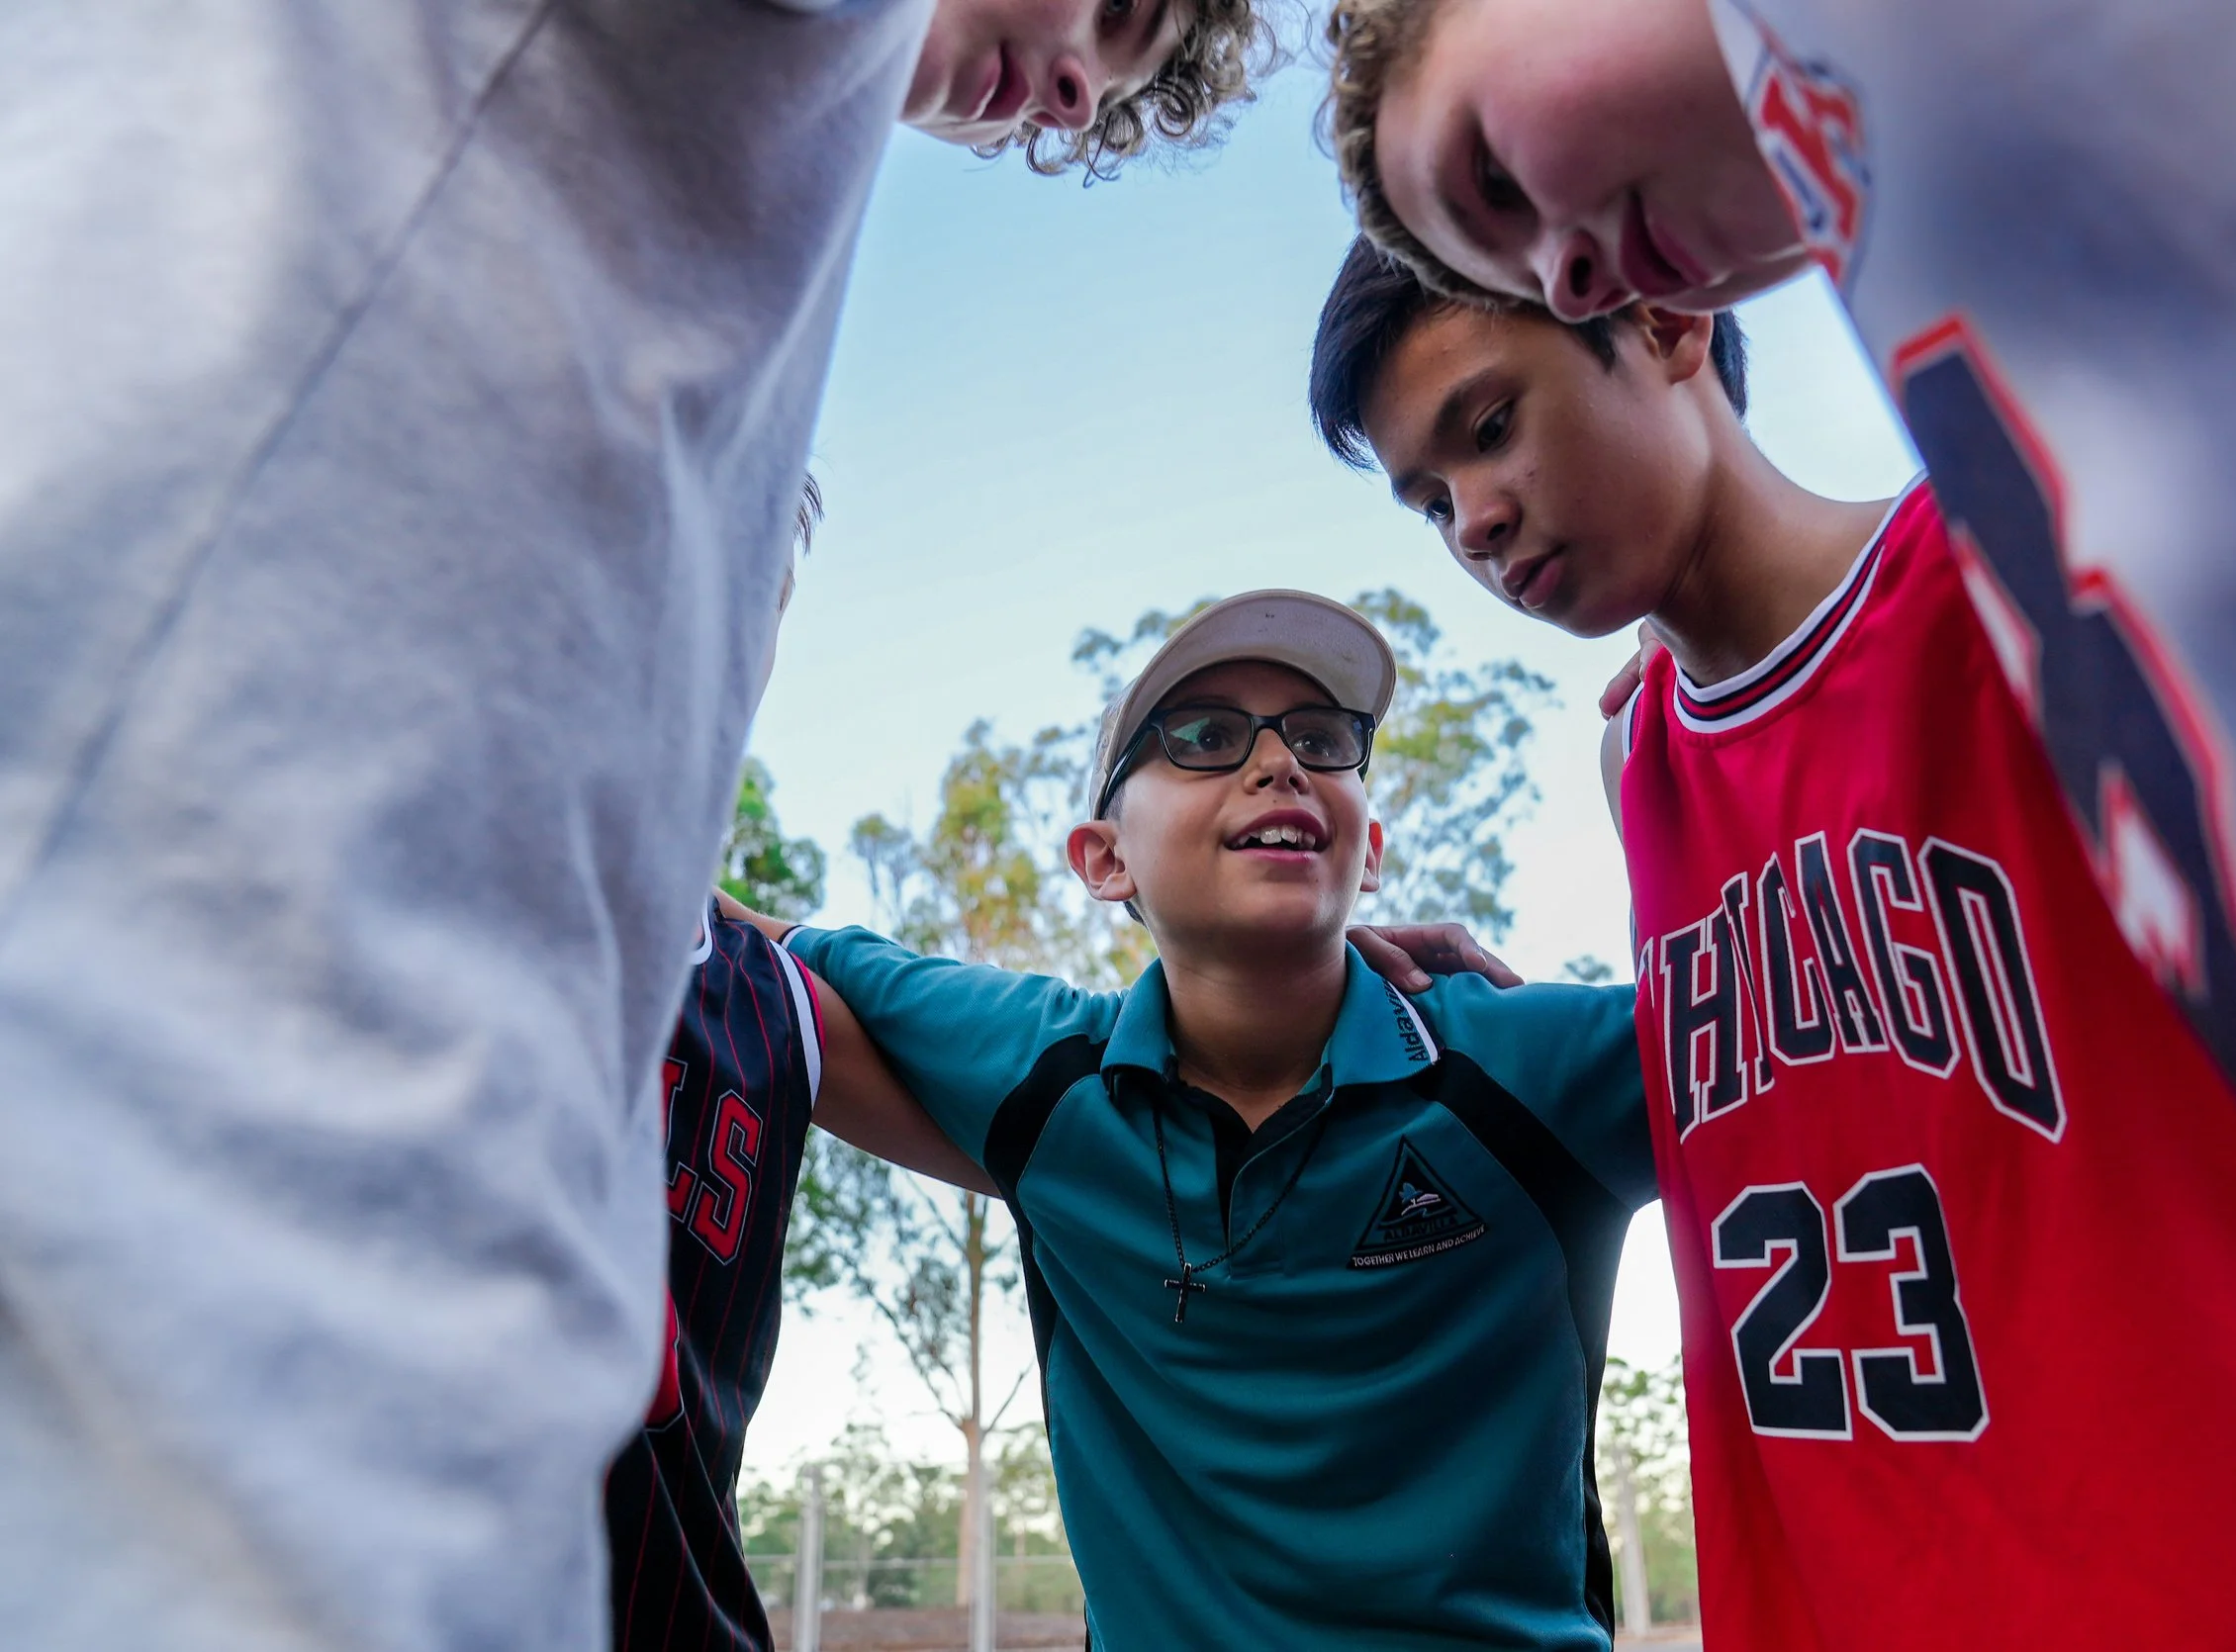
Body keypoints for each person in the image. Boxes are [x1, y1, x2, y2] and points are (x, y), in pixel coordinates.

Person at [0, 0, 1278, 1643]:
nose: (1076, 84)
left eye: (1102, 95)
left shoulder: (735, 975)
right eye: (1110, 14)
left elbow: (1078, 1086)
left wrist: (1284, 985)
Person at [1322, 3, 2236, 1634]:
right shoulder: (1636, 756)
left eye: (1490, 426)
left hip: (2230, 1563)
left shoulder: (2019, 565)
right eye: (1430, 500)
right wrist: (1552, 1037)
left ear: (1656, 323)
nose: (1476, 520)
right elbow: (1826, 1082)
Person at [744, 591, 1654, 1650]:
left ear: (1369, 849)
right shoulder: (1043, 1077)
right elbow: (714, 941)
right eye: (1206, 737)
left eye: (1321, 737)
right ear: (1103, 858)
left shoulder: (1536, 1068)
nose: (1280, 763)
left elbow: (1830, 999)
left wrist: (1716, 659)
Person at [606, 480, 994, 1652]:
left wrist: (1266, 989)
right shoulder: (335, 885)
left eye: (750, 585)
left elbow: (1095, 1127)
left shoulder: (772, 997)